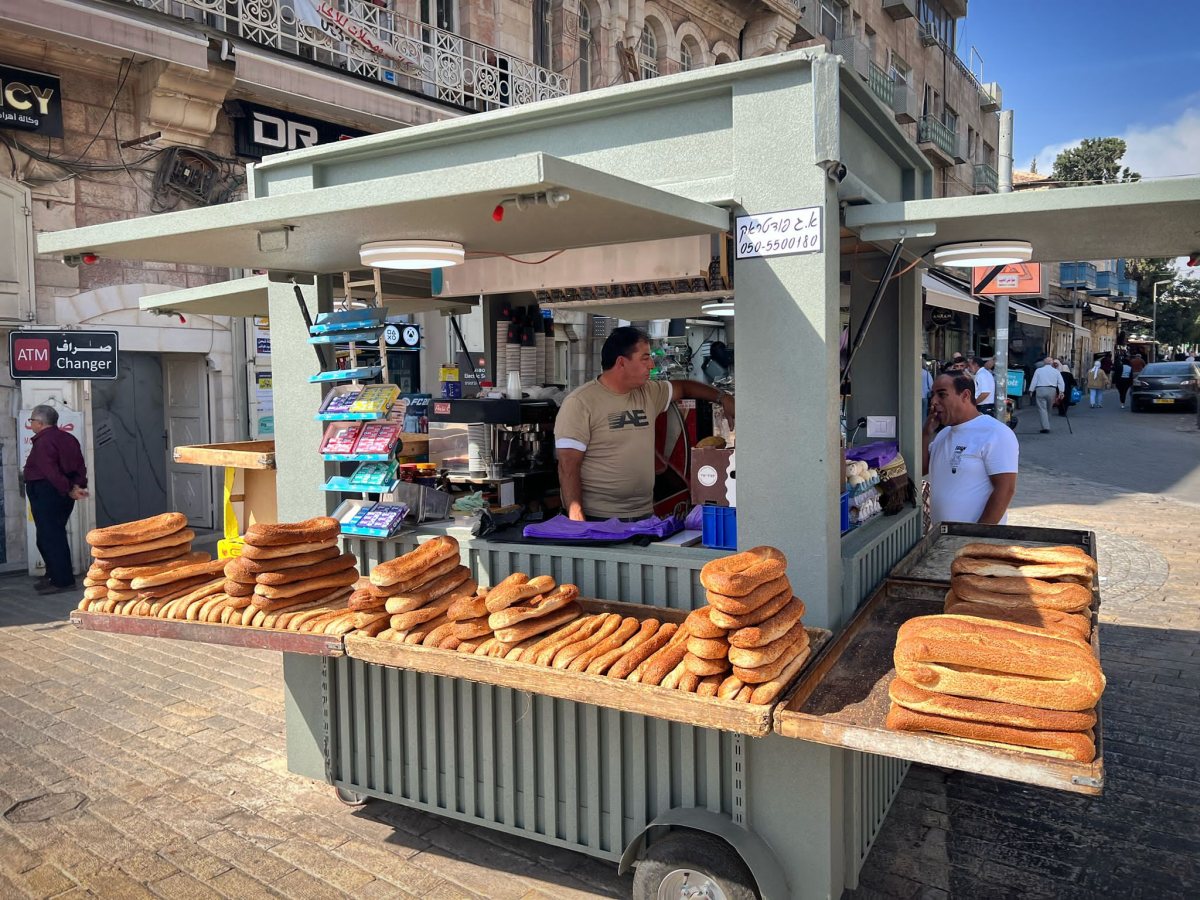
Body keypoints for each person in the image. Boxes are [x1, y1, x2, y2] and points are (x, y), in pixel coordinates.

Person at [555, 326, 736, 521]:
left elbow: (684, 387)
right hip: (598, 518)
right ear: (621, 363)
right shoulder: (580, 402)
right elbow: (568, 466)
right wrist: (577, 521)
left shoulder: (648, 392)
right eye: (645, 358)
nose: (651, 364)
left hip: (644, 515)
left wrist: (722, 397)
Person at [922, 372, 1019, 525]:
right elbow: (921, 469)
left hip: (976, 541)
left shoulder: (996, 433)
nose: (933, 401)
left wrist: (976, 535)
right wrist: (925, 434)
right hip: (942, 538)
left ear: (965, 395)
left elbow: (1005, 489)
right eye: (932, 395)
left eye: (942, 395)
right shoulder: (943, 434)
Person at [23, 405, 89, 594]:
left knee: (51, 536)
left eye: (32, 421)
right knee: (50, 534)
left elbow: (50, 471)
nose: (31, 424)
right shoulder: (68, 438)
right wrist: (78, 487)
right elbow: (80, 466)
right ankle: (53, 575)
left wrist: (68, 488)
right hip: (61, 491)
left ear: (40, 423)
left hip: (47, 491)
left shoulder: (44, 441)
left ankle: (62, 580)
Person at [1028, 357, 1064, 433]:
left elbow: (1034, 380)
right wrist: (1061, 391)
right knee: (1049, 408)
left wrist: (1031, 390)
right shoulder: (1056, 371)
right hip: (1052, 390)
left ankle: (1045, 426)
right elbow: (1061, 382)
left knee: (1042, 409)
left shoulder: (1038, 370)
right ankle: (1047, 424)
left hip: (1040, 389)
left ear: (1044, 363)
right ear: (1051, 363)